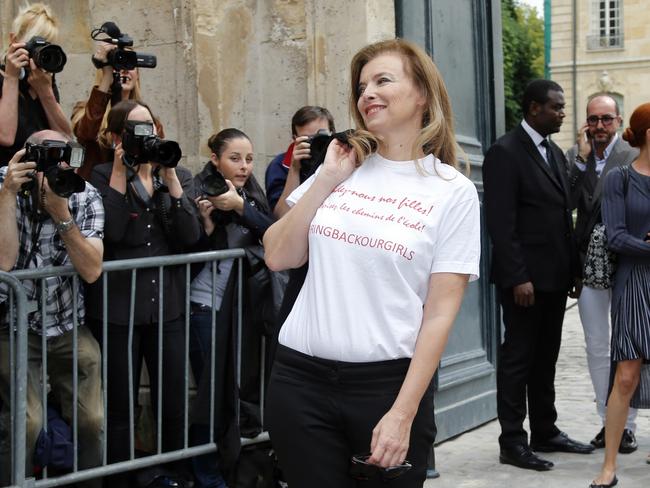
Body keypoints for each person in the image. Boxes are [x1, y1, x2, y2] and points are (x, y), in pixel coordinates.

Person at [263, 38, 481, 487]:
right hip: (299, 380)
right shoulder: (342, 168)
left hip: (385, 388)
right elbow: (278, 254)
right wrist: (325, 178)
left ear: (422, 94)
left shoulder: (451, 190)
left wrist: (403, 414)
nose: (367, 94)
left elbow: (441, 313)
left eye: (383, 80)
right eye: (362, 86)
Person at [85, 100, 200, 488]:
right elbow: (112, 232)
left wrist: (170, 179)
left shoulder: (175, 171)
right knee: (120, 404)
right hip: (117, 309)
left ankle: (174, 473)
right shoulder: (101, 176)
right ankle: (121, 476)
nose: (146, 135)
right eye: (135, 129)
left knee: (172, 399)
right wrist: (120, 171)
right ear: (118, 136)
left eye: (149, 126)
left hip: (166, 306)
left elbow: (189, 236)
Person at [483, 79, 594, 472]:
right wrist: (517, 277)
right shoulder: (504, 152)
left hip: (555, 278)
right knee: (518, 360)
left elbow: (565, 212)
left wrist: (574, 271)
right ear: (533, 108)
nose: (564, 113)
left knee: (545, 359)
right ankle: (512, 441)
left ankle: (545, 431)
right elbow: (501, 221)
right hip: (525, 283)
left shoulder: (553, 152)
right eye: (557, 107)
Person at [0, 130, 104, 487]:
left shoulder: (83, 193)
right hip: (13, 324)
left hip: (66, 321)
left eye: (63, 157)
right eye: (46, 156)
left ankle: (89, 482)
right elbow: (4, 262)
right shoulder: (3, 184)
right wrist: (9, 195)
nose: (57, 166)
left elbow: (91, 270)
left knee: (92, 419)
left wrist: (61, 215)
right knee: (27, 421)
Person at [189, 128, 273, 488]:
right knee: (210, 396)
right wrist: (207, 225)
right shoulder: (196, 190)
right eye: (235, 158)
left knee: (233, 395)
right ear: (215, 159)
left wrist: (241, 207)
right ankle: (206, 473)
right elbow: (186, 250)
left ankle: (229, 470)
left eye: (249, 159)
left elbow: (272, 232)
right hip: (204, 306)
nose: (243, 166)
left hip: (240, 310)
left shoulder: (250, 194)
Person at [567, 94, 639, 453]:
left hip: (629, 263)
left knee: (628, 347)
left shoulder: (632, 155)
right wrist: (580, 161)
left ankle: (628, 424)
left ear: (619, 121)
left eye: (606, 120)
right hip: (589, 267)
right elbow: (565, 202)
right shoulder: (574, 158)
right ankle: (606, 420)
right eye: (593, 119)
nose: (598, 127)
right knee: (596, 345)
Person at [589, 102, 650, 488]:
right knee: (626, 375)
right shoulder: (621, 178)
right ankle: (609, 465)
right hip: (635, 283)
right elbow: (615, 237)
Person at [71, 37, 162, 181]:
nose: (124, 70)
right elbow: (86, 133)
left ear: (137, 74)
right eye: (118, 64)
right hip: (97, 188)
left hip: (134, 188)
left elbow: (156, 161)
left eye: (130, 64)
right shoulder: (85, 110)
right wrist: (107, 76)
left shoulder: (150, 121)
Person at [0, 3, 72, 166]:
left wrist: (45, 91)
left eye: (47, 46)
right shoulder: (2, 77)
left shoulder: (44, 81)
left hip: (43, 176)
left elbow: (65, 138)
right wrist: (11, 78)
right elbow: (5, 137)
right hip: (7, 174)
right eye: (34, 44)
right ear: (14, 40)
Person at [264, 105, 335, 217]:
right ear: (295, 138)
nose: (316, 143)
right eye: (309, 139)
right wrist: (294, 168)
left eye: (321, 136)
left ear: (332, 133)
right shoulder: (279, 165)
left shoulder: (342, 161)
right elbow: (280, 217)